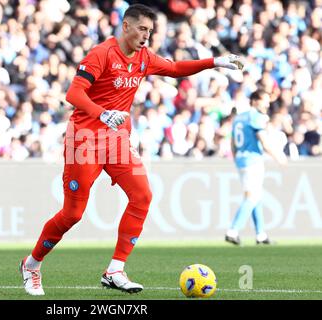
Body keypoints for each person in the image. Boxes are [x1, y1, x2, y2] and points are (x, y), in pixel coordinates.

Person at [20, 4, 244, 296]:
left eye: (150, 31)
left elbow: (175, 69)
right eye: (142, 29)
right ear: (125, 26)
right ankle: (32, 265)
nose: (146, 36)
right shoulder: (101, 54)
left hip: (116, 142)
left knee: (142, 195)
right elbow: (73, 93)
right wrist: (101, 113)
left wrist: (214, 61)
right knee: (73, 214)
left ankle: (115, 270)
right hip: (84, 142)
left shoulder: (144, 57)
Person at [225, 89, 288, 246]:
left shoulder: (238, 118)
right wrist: (278, 157)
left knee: (256, 197)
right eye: (264, 100)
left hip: (241, 160)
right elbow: (264, 142)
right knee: (252, 197)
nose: (267, 103)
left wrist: (236, 159)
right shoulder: (256, 117)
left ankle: (260, 234)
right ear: (254, 101)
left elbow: (232, 143)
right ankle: (233, 231)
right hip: (252, 160)